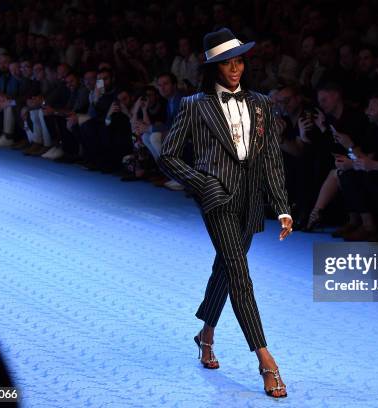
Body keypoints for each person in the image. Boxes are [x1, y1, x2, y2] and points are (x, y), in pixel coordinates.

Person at [157, 27, 292, 399]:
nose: (235, 69)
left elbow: (271, 160)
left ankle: (206, 334)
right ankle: (266, 360)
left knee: (225, 268)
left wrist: (282, 207)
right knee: (239, 273)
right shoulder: (193, 106)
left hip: (252, 200)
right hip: (216, 197)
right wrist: (202, 184)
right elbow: (167, 156)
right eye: (227, 63)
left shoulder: (262, 103)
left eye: (239, 61)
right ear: (213, 67)